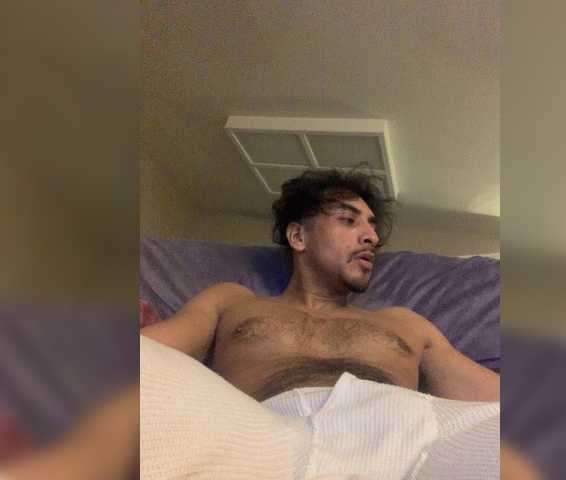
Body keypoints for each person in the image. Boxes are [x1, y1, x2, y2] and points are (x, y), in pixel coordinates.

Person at [142, 169, 499, 403]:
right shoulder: (231, 301)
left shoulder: (406, 323)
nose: (372, 237)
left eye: (373, 228)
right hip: (250, 441)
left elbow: (499, 403)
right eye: (348, 220)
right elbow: (148, 354)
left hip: (392, 447)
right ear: (298, 236)